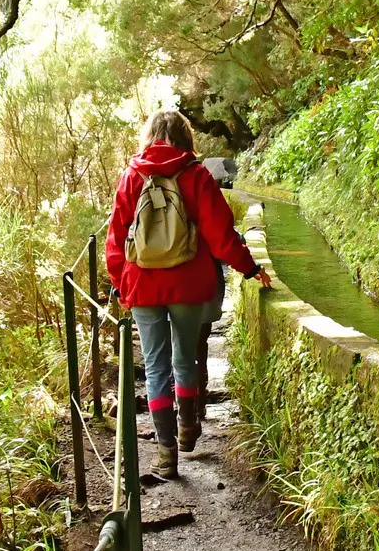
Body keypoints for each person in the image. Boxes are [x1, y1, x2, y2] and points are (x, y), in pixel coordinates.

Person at [106, 110, 270, 479]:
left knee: (154, 367)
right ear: (186, 137)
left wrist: (121, 283)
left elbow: (116, 239)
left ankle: (166, 454)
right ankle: (187, 428)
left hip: (143, 284)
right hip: (189, 284)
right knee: (185, 359)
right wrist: (251, 268)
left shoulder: (133, 177)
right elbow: (221, 235)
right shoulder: (196, 176)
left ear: (149, 136)